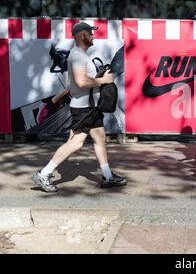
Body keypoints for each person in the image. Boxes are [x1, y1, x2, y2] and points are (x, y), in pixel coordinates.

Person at [32, 22, 127, 193]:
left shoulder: (81, 55)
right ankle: (44, 173)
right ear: (82, 35)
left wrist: (98, 75)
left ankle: (107, 176)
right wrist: (103, 80)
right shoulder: (77, 56)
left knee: (99, 139)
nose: (93, 35)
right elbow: (81, 82)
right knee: (76, 142)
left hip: (91, 106)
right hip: (84, 107)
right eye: (91, 33)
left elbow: (74, 83)